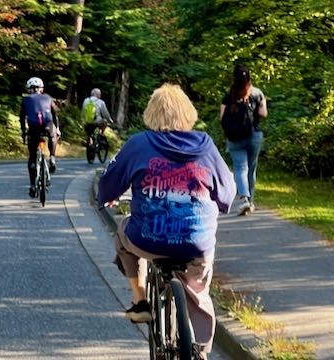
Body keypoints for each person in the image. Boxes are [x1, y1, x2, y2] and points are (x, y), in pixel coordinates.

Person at [98, 84, 236, 358]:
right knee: (198, 291)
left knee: (122, 235)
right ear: (188, 113)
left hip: (146, 239)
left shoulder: (138, 144)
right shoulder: (206, 145)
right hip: (195, 243)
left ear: (151, 114)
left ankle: (140, 302)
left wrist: (110, 195)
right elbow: (228, 195)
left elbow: (106, 186)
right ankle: (200, 351)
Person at [220, 64, 268, 215]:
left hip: (234, 138)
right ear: (249, 77)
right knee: (251, 168)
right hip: (254, 135)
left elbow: (222, 118)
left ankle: (244, 199)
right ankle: (250, 202)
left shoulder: (229, 96)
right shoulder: (257, 93)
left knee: (240, 168)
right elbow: (263, 113)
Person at [19, 77, 60, 198]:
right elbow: (55, 114)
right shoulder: (48, 98)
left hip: (34, 128)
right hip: (48, 125)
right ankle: (52, 157)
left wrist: (23, 131)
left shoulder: (25, 100)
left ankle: (32, 185)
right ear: (41, 88)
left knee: (32, 156)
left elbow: (22, 117)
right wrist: (57, 128)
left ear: (29, 89)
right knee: (53, 136)